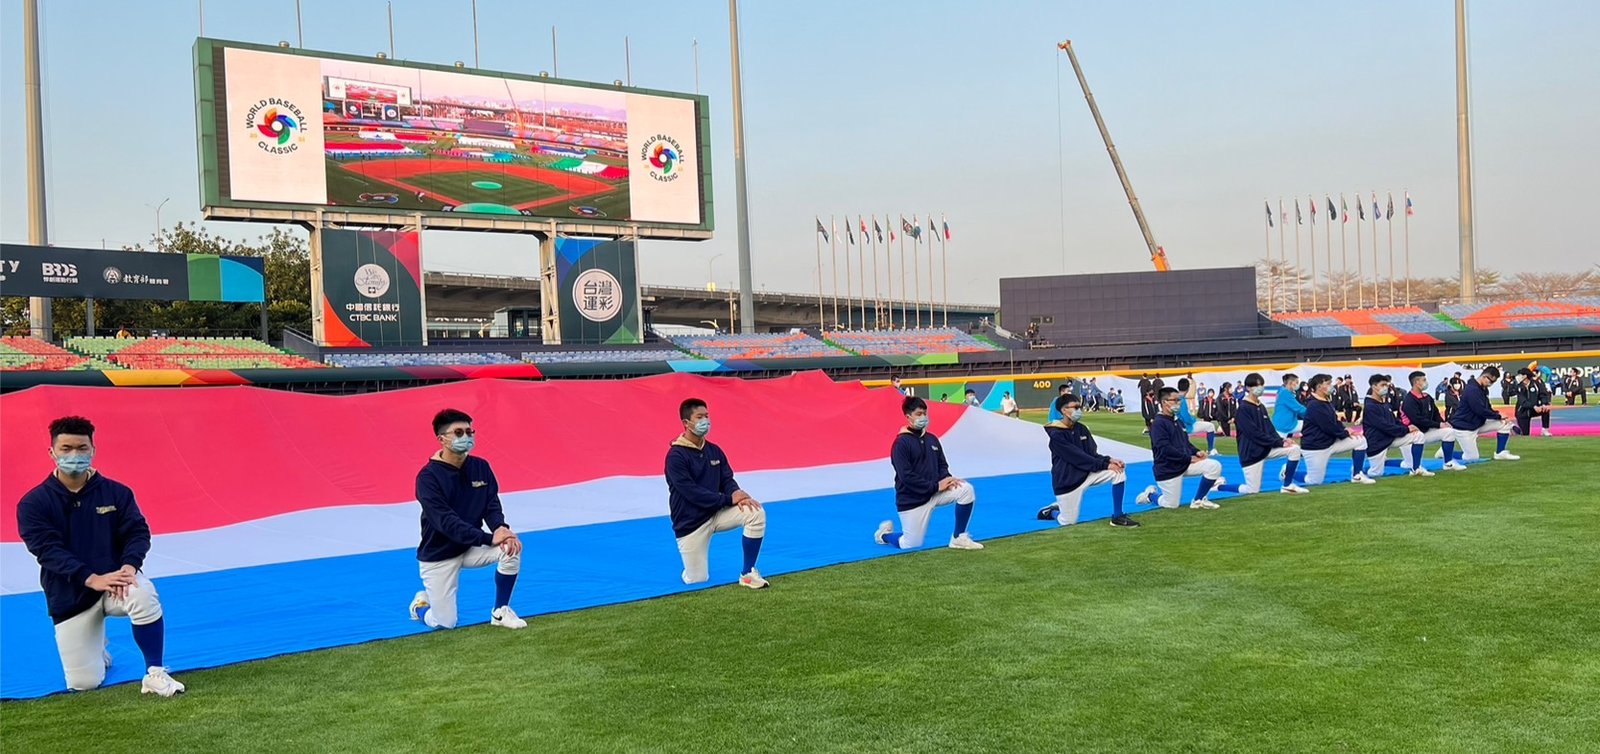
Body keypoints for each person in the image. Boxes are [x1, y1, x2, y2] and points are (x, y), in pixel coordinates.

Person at [15, 416, 185, 696]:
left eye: (82, 448)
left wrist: (130, 567)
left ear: (93, 450)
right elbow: (46, 550)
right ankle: (99, 650)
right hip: (71, 595)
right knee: (84, 683)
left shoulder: (117, 493)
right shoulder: (34, 503)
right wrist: (90, 578)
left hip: (116, 583)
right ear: (52, 452)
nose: (74, 455)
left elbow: (137, 532)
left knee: (143, 594)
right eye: (66, 448)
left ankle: (154, 673)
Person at [408, 409, 527, 630]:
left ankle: (500, 612)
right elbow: (446, 522)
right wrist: (488, 538)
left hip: (470, 547)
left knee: (512, 547)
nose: (467, 437)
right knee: (445, 623)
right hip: (439, 555)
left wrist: (501, 529)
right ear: (441, 439)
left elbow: (491, 505)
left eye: (470, 431)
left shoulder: (480, 466)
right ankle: (420, 606)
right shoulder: (428, 478)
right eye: (459, 432)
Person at [664, 398, 769, 589]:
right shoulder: (676, 456)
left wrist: (738, 493)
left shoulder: (714, 450)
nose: (706, 421)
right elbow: (691, 493)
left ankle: (747, 574)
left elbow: (726, 480)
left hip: (717, 514)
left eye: (707, 416)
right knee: (697, 579)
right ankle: (690, 568)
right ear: (686, 423)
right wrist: (729, 499)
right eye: (699, 417)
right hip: (691, 523)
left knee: (756, 512)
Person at [876, 396, 983, 550]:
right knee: (910, 544)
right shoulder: (900, 444)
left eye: (925, 413)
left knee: (966, 489)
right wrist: (936, 486)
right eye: (919, 414)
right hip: (912, 500)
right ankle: (884, 535)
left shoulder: (932, 439)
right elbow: (907, 477)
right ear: (908, 417)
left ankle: (959, 538)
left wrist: (947, 478)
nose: (923, 417)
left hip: (935, 492)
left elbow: (942, 465)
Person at [1036, 394, 1138, 528]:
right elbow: (1079, 458)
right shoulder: (1056, 435)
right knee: (1068, 521)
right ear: (1064, 410)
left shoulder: (1081, 428)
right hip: (1068, 482)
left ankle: (1118, 516)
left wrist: (1110, 460)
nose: (1079, 410)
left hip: (1087, 474)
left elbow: (1091, 454)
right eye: (1075, 407)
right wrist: (1106, 465)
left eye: (1080, 406)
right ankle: (1052, 511)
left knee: (1118, 471)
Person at [1136, 387, 1232, 510]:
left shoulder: (1177, 421)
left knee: (1214, 466)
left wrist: (1197, 452)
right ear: (1164, 402)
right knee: (1171, 504)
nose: (1179, 403)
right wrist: (1189, 458)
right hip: (1168, 467)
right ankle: (1150, 495)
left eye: (1179, 400)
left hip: (1183, 463)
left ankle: (1198, 500)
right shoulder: (1159, 423)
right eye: (1175, 400)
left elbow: (1185, 443)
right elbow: (1165, 449)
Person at [1233, 374, 1309, 495]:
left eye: (1261, 385)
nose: (1260, 388)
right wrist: (1279, 442)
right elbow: (1254, 434)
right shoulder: (1243, 408)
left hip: (1265, 448)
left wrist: (1282, 440)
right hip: (1252, 453)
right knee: (1252, 490)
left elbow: (1269, 428)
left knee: (1294, 450)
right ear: (1248, 388)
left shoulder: (1260, 406)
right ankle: (1219, 486)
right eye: (1256, 385)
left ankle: (1287, 485)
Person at [1300, 373, 1374, 486]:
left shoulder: (1326, 401)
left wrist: (1347, 430)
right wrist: (1345, 432)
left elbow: (1335, 421)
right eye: (1328, 384)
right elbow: (1328, 427)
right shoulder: (1314, 405)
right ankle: (1287, 473)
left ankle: (1357, 475)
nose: (1332, 386)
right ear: (1319, 386)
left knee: (1361, 440)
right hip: (1316, 446)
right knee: (1314, 481)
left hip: (1331, 442)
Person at [1360, 374, 1429, 478]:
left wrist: (1408, 427)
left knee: (1418, 436)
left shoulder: (1384, 403)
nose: (1385, 388)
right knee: (1376, 473)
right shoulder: (1370, 406)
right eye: (1382, 385)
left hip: (1390, 438)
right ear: (1374, 387)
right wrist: (1406, 429)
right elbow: (1385, 426)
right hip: (1378, 442)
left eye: (1386, 385)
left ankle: (1416, 468)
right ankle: (1359, 470)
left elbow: (1394, 421)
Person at [1447, 366, 1519, 464]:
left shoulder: (1482, 388)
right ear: (1485, 377)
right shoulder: (1472, 390)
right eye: (1491, 381)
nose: (1491, 384)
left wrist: (1499, 416)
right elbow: (1480, 410)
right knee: (1472, 458)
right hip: (1464, 427)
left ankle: (1500, 452)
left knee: (1505, 423)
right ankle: (1445, 452)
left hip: (1477, 423)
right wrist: (1498, 416)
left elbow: (1487, 407)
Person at [1400, 370, 1458, 473]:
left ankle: (1448, 463)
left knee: (1449, 432)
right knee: (1407, 465)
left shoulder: (1427, 397)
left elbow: (1435, 413)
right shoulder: (1409, 400)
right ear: (1416, 382)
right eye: (1424, 380)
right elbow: (1417, 420)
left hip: (1425, 432)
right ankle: (1392, 462)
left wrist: (1443, 423)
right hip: (1411, 436)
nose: (1426, 382)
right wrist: (1438, 424)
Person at [1173, 377, 1219, 453]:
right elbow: (1186, 418)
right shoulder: (1182, 401)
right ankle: (1211, 450)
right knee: (1210, 426)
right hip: (1185, 426)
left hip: (1177, 426)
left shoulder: (1174, 398)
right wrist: (1193, 419)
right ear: (1188, 389)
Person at [1512, 369, 1554, 438]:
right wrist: (1534, 406)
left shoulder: (1536, 384)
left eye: (1520, 375)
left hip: (1534, 409)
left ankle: (1545, 430)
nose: (1518, 376)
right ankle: (1513, 428)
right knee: (1525, 435)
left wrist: (1544, 404)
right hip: (1523, 412)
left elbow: (1543, 394)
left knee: (1546, 409)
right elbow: (1523, 401)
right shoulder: (1519, 386)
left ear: (1525, 376)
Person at [1272, 373, 1307, 439]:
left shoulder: (1282, 391)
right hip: (1285, 425)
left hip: (1283, 424)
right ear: (1291, 383)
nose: (1298, 385)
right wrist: (1313, 414)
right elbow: (1299, 409)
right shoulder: (1285, 393)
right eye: (1296, 382)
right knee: (1312, 423)